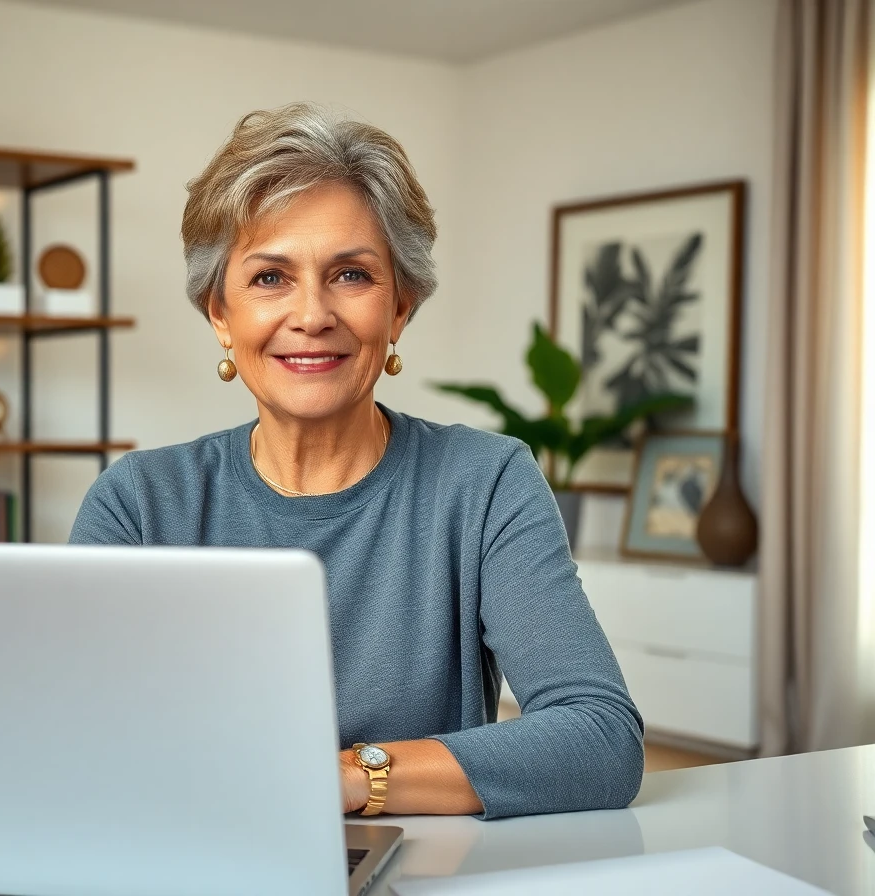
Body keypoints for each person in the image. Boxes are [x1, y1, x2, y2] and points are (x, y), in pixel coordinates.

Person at [70, 102, 644, 820]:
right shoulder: (138, 504)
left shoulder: (486, 483)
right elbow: (72, 739)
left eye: (350, 275)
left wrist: (347, 779)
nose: (313, 315)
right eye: (270, 278)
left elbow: (599, 739)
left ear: (399, 307)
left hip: (420, 864)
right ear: (219, 313)